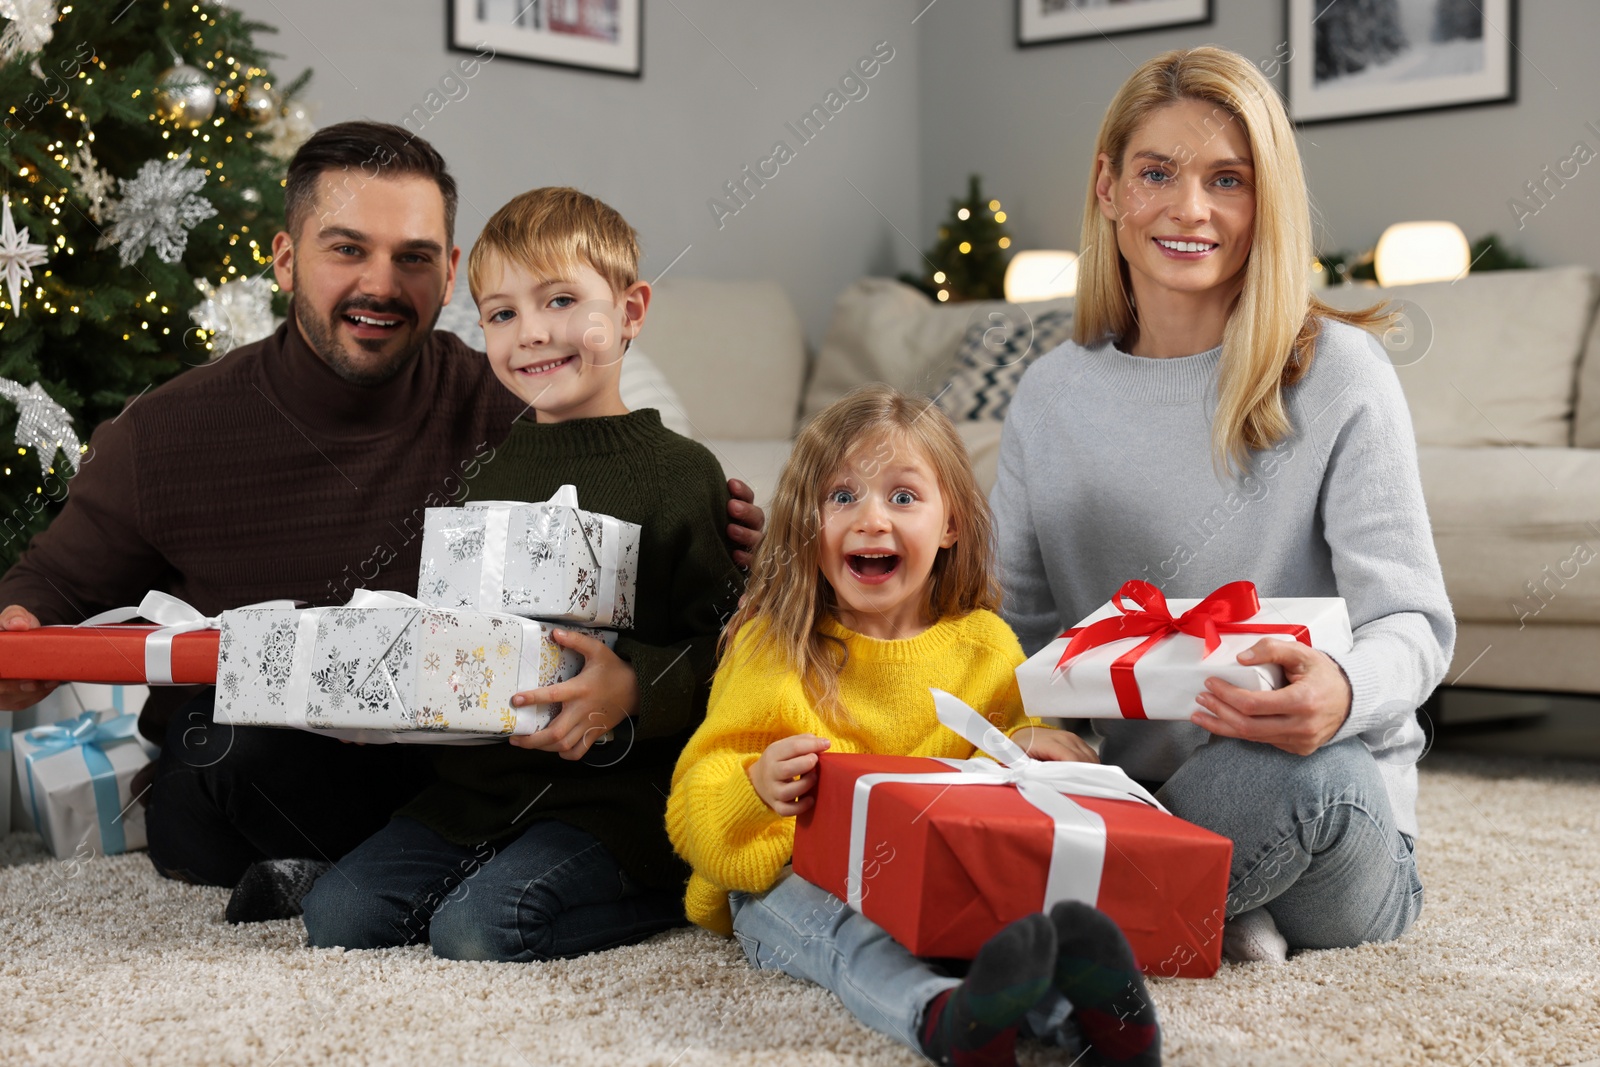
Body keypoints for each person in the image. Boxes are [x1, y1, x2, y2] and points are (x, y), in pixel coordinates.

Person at [0, 121, 765, 889]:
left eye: (414, 258)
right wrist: (20, 633)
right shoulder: (166, 432)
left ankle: (397, 879)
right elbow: (47, 590)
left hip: (454, 763)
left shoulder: (521, 402)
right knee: (225, 745)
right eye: (347, 249)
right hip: (258, 761)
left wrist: (732, 541)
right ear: (286, 259)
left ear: (452, 271)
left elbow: (658, 544)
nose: (382, 284)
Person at [991, 47, 1453, 962]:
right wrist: (1042, 740)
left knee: (1292, 775)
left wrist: (1346, 690)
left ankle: (1077, 933)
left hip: (1318, 797)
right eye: (1157, 171)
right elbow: (1013, 633)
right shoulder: (1051, 394)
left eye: (1227, 179)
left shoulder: (1339, 376)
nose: (1189, 208)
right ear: (1109, 189)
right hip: (1126, 801)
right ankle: (1204, 911)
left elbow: (1413, 621)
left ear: (1263, 202)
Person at [244, 185, 746, 962]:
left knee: (480, 930)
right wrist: (389, 702)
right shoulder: (484, 475)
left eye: (561, 300)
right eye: (503, 314)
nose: (533, 332)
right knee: (339, 918)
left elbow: (733, 652)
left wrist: (633, 687)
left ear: (631, 311)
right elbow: (465, 641)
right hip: (476, 793)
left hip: (614, 801)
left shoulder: (681, 474)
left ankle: (667, 891)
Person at [667, 385, 1161, 1067]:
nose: (872, 520)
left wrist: (1030, 748)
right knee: (850, 933)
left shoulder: (986, 644)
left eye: (902, 497)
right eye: (842, 497)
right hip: (795, 879)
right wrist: (754, 785)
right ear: (809, 524)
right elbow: (692, 808)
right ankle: (938, 1018)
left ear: (950, 523)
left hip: (938, 882)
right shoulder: (774, 645)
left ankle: (1084, 1019)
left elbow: (1032, 776)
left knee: (997, 924)